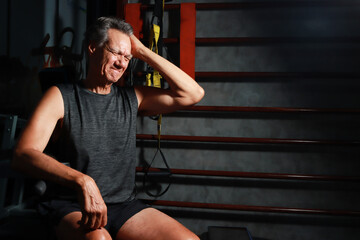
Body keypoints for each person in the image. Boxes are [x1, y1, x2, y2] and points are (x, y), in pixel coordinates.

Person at [12, 17, 204, 240]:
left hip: (123, 206)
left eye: (127, 57)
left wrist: (142, 51)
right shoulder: (60, 96)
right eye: (115, 53)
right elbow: (22, 154)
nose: (121, 63)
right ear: (93, 48)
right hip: (72, 205)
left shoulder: (133, 98)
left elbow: (193, 94)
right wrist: (82, 181)